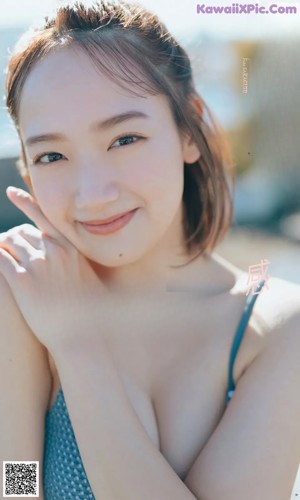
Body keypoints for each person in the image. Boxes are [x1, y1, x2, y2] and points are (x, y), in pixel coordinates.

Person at [0, 1, 299, 499]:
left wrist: (79, 348)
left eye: (125, 138)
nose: (93, 193)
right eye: (52, 155)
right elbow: (14, 485)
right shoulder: (21, 287)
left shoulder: (276, 327)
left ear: (190, 129)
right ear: (27, 171)